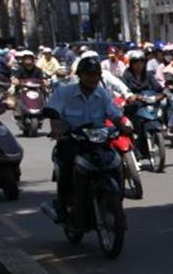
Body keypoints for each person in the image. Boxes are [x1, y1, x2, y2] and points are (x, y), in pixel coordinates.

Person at [45, 56, 127, 224]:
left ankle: (116, 198)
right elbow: (53, 112)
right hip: (72, 142)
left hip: (98, 143)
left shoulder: (102, 94)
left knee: (117, 163)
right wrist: (56, 130)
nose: (92, 78)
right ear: (80, 75)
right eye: (88, 74)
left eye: (96, 75)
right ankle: (62, 206)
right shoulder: (64, 93)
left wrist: (124, 126)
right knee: (68, 167)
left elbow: (115, 114)